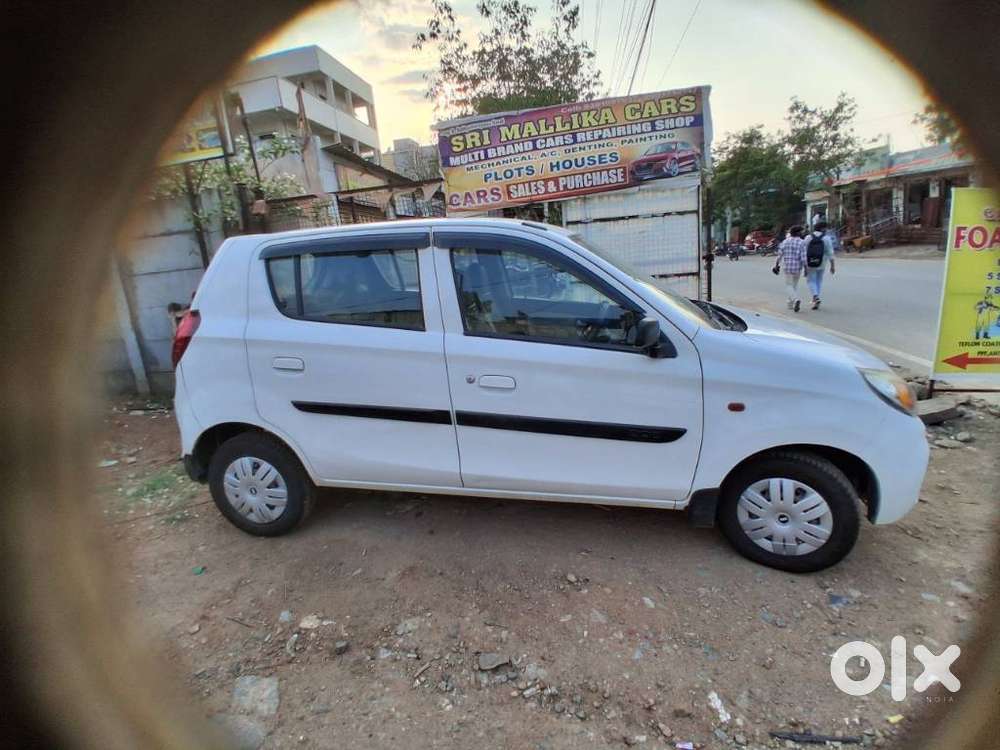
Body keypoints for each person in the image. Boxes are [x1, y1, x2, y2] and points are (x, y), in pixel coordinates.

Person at [804, 220, 836, 309]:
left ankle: (815, 296)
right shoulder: (827, 238)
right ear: (823, 229)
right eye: (826, 228)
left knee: (811, 280)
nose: (826, 230)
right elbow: (830, 253)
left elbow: (804, 251)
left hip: (810, 262)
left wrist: (804, 264)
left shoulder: (808, 237)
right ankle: (816, 297)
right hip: (822, 262)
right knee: (819, 280)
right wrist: (832, 266)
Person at [773, 225, 806, 312]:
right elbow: (803, 258)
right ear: (798, 233)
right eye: (801, 232)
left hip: (787, 266)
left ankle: (795, 300)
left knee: (789, 285)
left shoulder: (785, 242)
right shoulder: (802, 242)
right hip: (797, 267)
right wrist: (806, 269)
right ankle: (790, 304)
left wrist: (776, 265)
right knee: (794, 285)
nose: (802, 233)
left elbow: (779, 255)